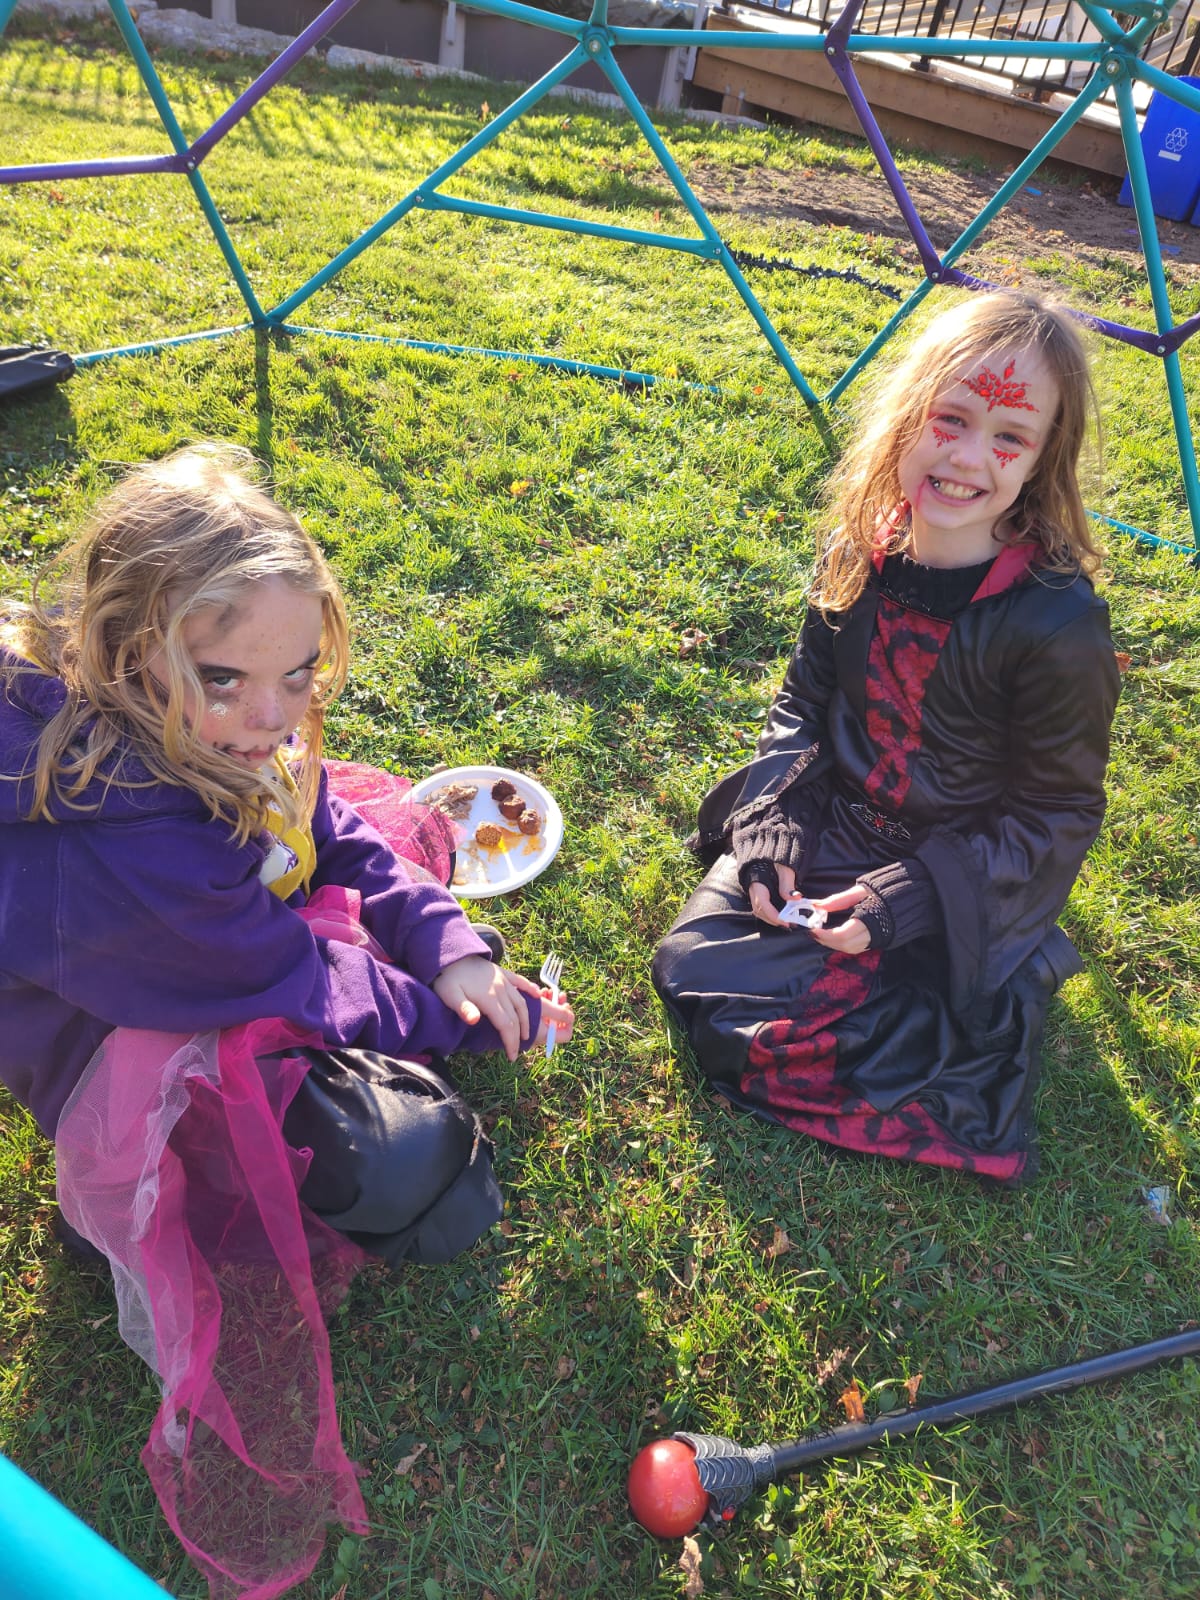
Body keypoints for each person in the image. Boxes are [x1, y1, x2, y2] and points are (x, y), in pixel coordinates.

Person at [0, 443, 574, 1598]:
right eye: (225, 680)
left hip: (234, 957)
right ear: (126, 649)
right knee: (420, 1170)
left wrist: (449, 944)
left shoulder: (220, 731)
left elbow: (326, 823)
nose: (273, 716)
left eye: (300, 673)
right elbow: (294, 978)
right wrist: (469, 1019)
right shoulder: (133, 848)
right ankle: (140, 1200)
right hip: (135, 1047)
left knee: (410, 1040)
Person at [653, 291, 1121, 1188]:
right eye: (952, 418)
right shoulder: (858, 550)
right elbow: (803, 701)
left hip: (957, 872)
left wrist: (899, 904)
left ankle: (1001, 969)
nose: (968, 456)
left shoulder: (1059, 626)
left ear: (1041, 461)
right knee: (689, 967)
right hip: (838, 823)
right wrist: (778, 826)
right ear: (908, 416)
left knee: (760, 1032)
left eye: (1009, 437)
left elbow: (1056, 812)